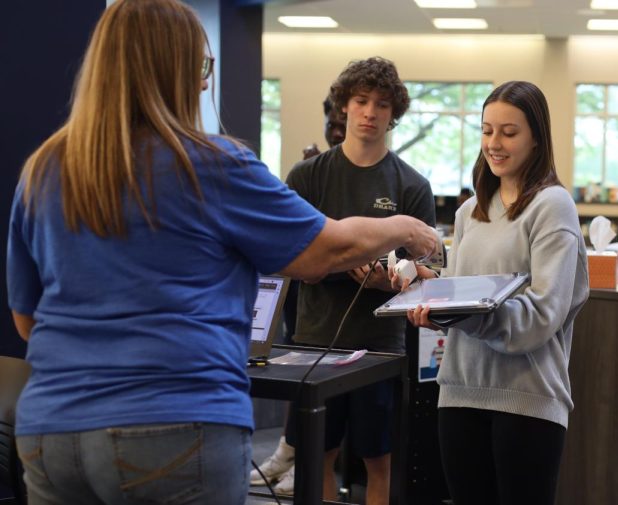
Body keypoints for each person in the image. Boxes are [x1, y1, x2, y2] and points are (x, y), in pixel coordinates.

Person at [5, 2, 436, 504]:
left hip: (50, 430)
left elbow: (26, 320)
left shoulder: (45, 167)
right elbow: (322, 252)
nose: (205, 84)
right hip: (173, 424)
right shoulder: (212, 165)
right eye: (202, 68)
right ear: (176, 71)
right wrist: (403, 225)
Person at [251, 56, 436, 503]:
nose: (370, 112)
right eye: (361, 100)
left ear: (394, 114)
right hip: (314, 341)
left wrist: (385, 280)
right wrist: (339, 261)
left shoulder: (411, 186)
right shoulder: (307, 177)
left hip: (379, 345)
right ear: (343, 107)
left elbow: (429, 276)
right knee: (319, 454)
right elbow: (288, 255)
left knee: (379, 460)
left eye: (381, 104)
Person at [407, 81, 589, 505]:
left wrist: (466, 314)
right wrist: (429, 294)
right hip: (458, 391)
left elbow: (543, 314)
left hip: (527, 400)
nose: (495, 143)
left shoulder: (552, 206)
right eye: (488, 131)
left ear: (537, 139)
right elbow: (461, 291)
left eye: (509, 132)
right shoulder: (470, 211)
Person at [283, 97, 347, 340]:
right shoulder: (306, 173)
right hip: (306, 306)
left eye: (343, 125)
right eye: (332, 126)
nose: (338, 133)